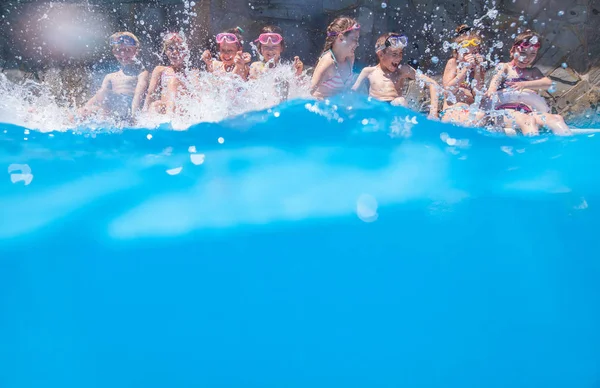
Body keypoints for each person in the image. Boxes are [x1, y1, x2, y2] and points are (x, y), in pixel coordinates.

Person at [486, 30, 571, 135]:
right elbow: (497, 78)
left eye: (532, 54)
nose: (526, 58)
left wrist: (524, 84)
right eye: (522, 53)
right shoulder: (505, 67)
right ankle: (533, 150)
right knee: (528, 121)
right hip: (504, 111)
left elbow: (548, 83)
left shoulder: (532, 72)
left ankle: (567, 148)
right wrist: (492, 89)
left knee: (557, 118)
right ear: (512, 50)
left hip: (527, 111)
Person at [352, 32, 440, 118]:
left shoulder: (403, 71)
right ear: (381, 54)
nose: (399, 58)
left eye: (401, 53)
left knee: (400, 101)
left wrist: (433, 113)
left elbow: (433, 84)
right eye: (394, 54)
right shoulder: (369, 71)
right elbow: (352, 92)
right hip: (376, 112)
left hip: (395, 113)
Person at [78, 32, 149, 123]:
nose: (123, 54)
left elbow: (139, 95)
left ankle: (105, 122)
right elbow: (98, 96)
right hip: (114, 111)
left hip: (128, 109)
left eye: (127, 50)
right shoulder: (110, 76)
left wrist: (134, 116)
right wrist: (85, 108)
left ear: (136, 51)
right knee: (81, 112)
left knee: (103, 92)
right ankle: (104, 120)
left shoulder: (141, 73)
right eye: (119, 50)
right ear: (114, 52)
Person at [440, 25, 487, 126]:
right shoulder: (453, 63)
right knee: (476, 117)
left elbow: (478, 95)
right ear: (457, 53)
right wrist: (465, 69)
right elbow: (449, 90)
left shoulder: (478, 69)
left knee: (481, 115)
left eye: (474, 52)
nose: (470, 56)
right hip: (452, 110)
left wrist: (478, 69)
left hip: (470, 111)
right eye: (466, 53)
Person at [310, 16, 360, 99]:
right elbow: (309, 92)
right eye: (355, 39)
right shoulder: (328, 63)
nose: (357, 44)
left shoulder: (350, 58)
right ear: (340, 38)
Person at [143, 32, 188, 115]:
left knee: (173, 82)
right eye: (170, 49)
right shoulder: (160, 70)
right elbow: (150, 93)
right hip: (165, 108)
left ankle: (170, 117)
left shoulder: (191, 72)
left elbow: (196, 95)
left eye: (179, 49)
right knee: (154, 105)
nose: (175, 52)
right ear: (166, 51)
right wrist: (144, 113)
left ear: (185, 52)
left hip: (182, 110)